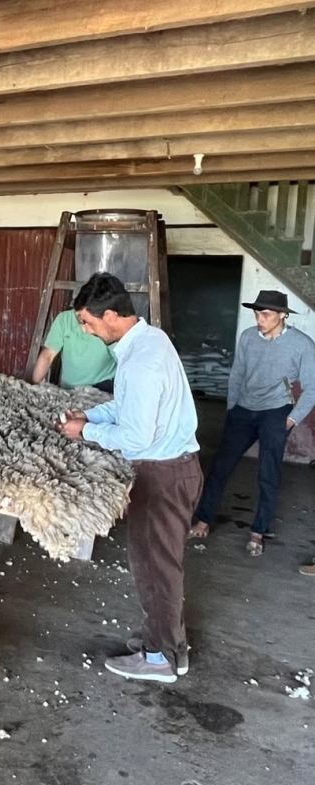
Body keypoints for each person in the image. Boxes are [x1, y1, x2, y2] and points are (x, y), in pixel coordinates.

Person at [58, 272, 201, 684]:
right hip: (173, 468)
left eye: (87, 322)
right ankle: (171, 648)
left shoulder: (141, 362)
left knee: (155, 570)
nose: (86, 331)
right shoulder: (150, 340)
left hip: (161, 475)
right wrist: (90, 415)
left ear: (110, 316)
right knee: (162, 567)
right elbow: (128, 406)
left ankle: (159, 660)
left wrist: (85, 431)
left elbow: (137, 437)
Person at [190, 290, 315, 557]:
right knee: (220, 467)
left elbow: (312, 388)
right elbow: (237, 374)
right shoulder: (248, 337)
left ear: (282, 315)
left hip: (276, 412)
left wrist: (290, 420)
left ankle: (258, 531)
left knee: (268, 473)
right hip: (243, 410)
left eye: (266, 314)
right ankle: (203, 519)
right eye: (257, 314)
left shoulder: (302, 344)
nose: (260, 319)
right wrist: (232, 408)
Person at [32, 306, 116, 391]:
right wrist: (35, 386)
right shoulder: (65, 319)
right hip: (69, 388)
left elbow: (121, 359)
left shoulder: (107, 322)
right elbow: (47, 356)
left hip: (102, 385)